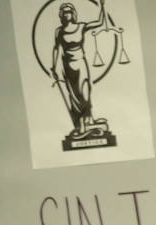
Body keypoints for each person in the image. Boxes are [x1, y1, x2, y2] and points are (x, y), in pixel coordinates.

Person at [51, 1, 109, 138]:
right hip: (68, 66)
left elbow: (100, 22)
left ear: (73, 13)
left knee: (85, 92)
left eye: (69, 11)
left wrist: (103, 6)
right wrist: (54, 66)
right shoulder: (59, 31)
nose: (67, 14)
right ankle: (81, 123)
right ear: (61, 15)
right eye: (64, 12)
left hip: (80, 63)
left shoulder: (81, 27)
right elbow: (56, 49)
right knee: (74, 95)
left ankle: (90, 119)